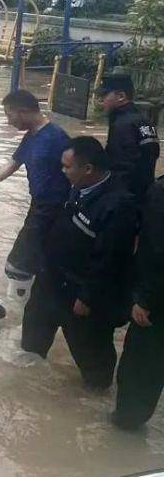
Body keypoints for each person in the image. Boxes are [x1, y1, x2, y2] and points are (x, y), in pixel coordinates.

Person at [21, 136, 136, 389]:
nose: (62, 171)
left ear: (87, 169)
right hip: (50, 281)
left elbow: (110, 259)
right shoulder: (76, 186)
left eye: (66, 166)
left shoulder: (118, 205)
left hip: (81, 296)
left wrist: (87, 297)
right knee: (29, 348)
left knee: (95, 368)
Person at [0, 90, 72, 293]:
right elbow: (13, 163)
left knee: (18, 264)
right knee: (34, 260)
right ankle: (31, 300)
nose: (8, 121)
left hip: (54, 209)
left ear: (22, 112)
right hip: (38, 206)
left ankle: (15, 311)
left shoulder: (57, 138)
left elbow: (77, 172)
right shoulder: (32, 136)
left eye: (9, 115)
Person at [113, 175, 164, 429]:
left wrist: (144, 298)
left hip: (157, 303)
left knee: (141, 367)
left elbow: (156, 249)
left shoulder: (160, 191)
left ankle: (127, 426)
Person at [98, 73, 159, 200]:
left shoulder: (123, 125)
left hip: (127, 197)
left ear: (121, 96)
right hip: (145, 192)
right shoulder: (144, 120)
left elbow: (121, 167)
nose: (100, 100)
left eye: (104, 95)